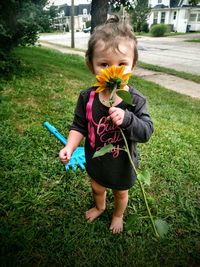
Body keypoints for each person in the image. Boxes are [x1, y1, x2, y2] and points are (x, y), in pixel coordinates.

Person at [59, 15, 153, 234]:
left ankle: (117, 214)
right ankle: (100, 206)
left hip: (123, 163)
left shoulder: (136, 100)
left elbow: (146, 131)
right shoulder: (87, 98)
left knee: (121, 193)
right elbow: (78, 126)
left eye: (122, 65)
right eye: (104, 64)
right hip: (97, 159)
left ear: (134, 65)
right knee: (97, 187)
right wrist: (70, 147)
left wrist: (128, 118)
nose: (114, 71)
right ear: (91, 66)